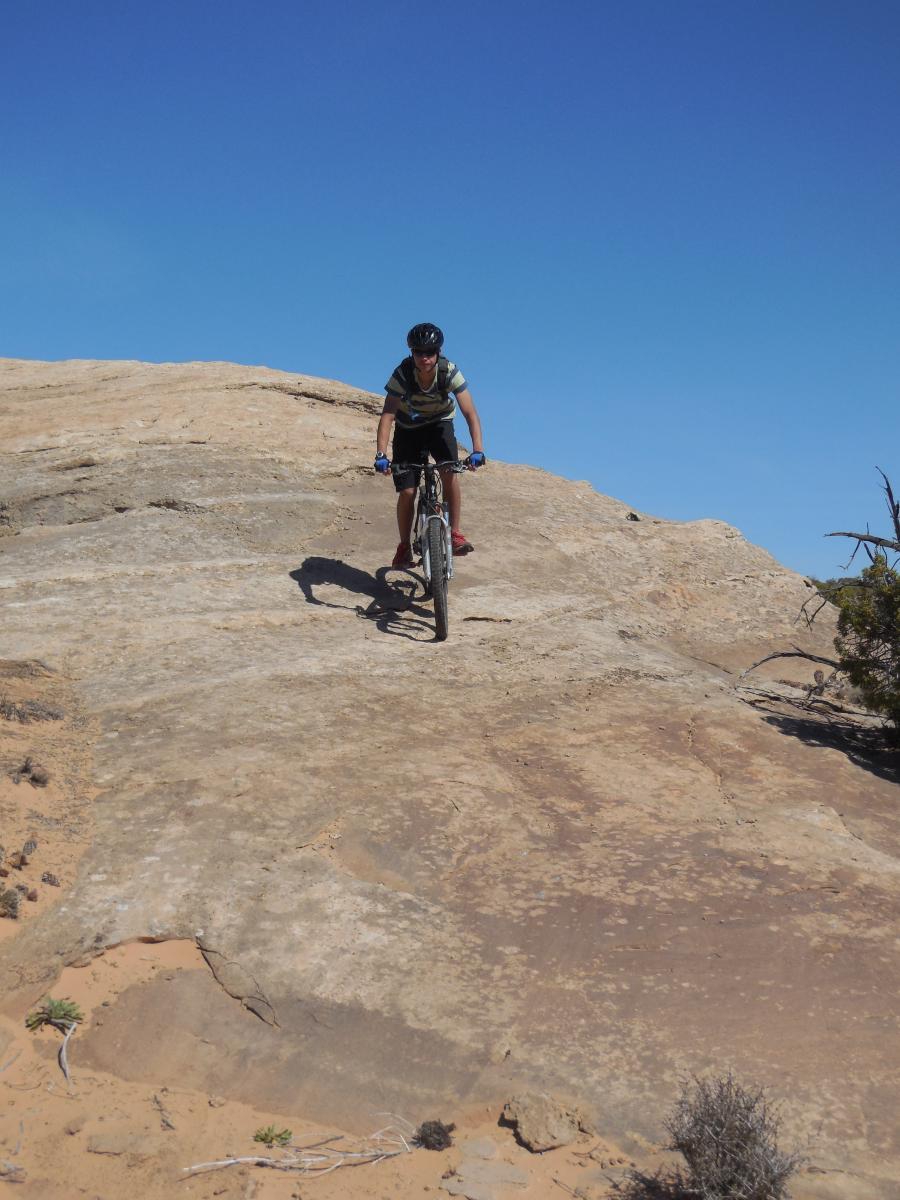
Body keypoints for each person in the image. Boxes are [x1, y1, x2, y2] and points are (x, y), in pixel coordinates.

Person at [374, 323, 485, 569]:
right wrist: (381, 454)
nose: (424, 358)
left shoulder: (449, 371)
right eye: (419, 352)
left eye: (430, 352)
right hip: (408, 430)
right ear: (411, 353)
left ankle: (455, 533)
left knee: (449, 473)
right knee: (408, 492)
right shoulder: (402, 374)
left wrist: (478, 450)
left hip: (439, 426)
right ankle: (404, 547)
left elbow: (470, 413)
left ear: (438, 352)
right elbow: (388, 414)